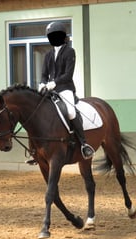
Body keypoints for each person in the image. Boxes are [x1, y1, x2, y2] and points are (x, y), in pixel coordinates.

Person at [38, 21, 95, 160]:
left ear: (63, 36)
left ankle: (83, 144)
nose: (54, 38)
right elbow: (44, 73)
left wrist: (54, 83)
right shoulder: (48, 54)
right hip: (50, 90)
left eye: (56, 35)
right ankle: (36, 150)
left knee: (70, 111)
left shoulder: (70, 51)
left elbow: (68, 74)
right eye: (51, 36)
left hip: (65, 89)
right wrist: (42, 83)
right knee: (38, 112)